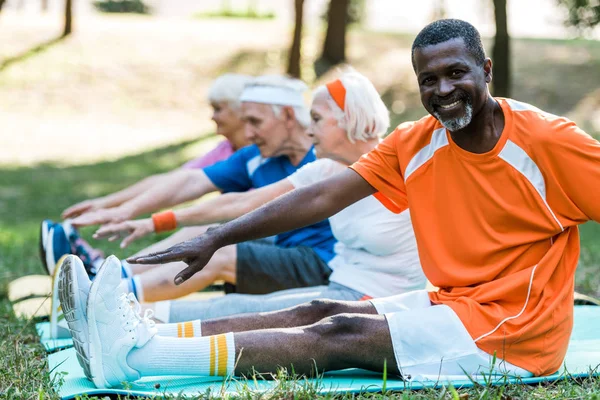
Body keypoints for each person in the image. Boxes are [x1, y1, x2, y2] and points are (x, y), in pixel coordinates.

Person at [61, 19, 600, 388]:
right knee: (318, 310)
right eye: (428, 80)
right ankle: (142, 334)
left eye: (457, 73)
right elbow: (321, 194)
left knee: (339, 335)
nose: (443, 90)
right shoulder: (417, 141)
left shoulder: (547, 142)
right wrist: (216, 237)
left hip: (515, 336)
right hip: (457, 305)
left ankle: (137, 361)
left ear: (485, 71)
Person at [90, 71, 425, 322]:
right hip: (344, 282)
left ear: (348, 119)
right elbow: (239, 202)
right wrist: (152, 221)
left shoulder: (404, 166)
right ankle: (110, 306)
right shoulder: (324, 168)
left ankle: (114, 310)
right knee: (231, 304)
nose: (310, 131)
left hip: (374, 300)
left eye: (318, 120)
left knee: (239, 312)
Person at [48, 75, 337, 305]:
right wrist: (123, 209)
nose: (247, 133)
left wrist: (152, 222)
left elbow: (244, 202)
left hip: (328, 266)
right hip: (287, 251)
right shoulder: (257, 157)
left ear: (288, 116)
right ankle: (107, 277)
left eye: (255, 122)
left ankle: (103, 299)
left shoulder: (325, 157)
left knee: (221, 250)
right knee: (210, 233)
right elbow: (189, 180)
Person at [40, 73, 253, 275]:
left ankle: (108, 275)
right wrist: (106, 204)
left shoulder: (262, 154)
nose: (212, 116)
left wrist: (148, 219)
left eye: (218, 109)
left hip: (253, 243)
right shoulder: (227, 150)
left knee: (207, 228)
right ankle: (109, 272)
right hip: (236, 240)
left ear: (241, 110)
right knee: (207, 227)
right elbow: (172, 182)